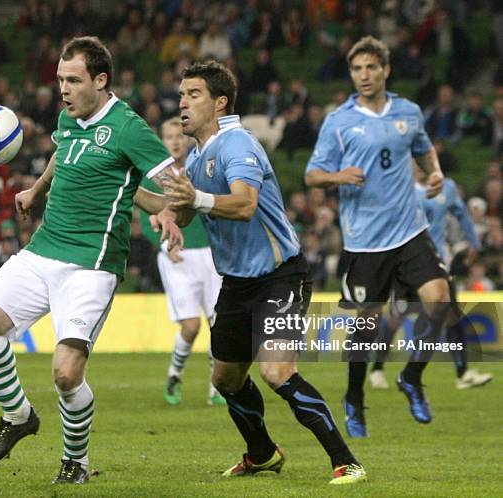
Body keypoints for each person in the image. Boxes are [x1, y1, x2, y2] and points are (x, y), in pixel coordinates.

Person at [0, 36, 182, 485]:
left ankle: (75, 463)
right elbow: (63, 156)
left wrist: (171, 213)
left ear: (100, 81)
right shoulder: (68, 117)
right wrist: (36, 189)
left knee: (66, 374)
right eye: (60, 79)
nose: (63, 88)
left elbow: (175, 183)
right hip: (43, 249)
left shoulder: (129, 128)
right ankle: (18, 415)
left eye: (73, 80)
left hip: (92, 264)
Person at [161, 61, 366, 485]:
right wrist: (170, 211)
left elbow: (244, 204)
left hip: (280, 276)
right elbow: (188, 212)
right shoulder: (198, 155)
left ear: (220, 103)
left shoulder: (237, 144)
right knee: (226, 378)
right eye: (181, 94)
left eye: (193, 94)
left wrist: (194, 199)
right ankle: (262, 455)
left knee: (276, 371)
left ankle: (347, 461)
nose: (183, 102)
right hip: (236, 282)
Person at [305, 36, 451, 438]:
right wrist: (337, 176)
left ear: (385, 69)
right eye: (357, 69)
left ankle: (412, 377)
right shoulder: (339, 121)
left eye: (371, 67)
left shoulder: (409, 112)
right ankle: (353, 397)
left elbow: (423, 151)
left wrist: (434, 173)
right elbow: (312, 174)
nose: (364, 76)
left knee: (440, 301)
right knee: (365, 329)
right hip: (365, 242)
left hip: (410, 231)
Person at [369, 166, 493, 390]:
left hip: (438, 265)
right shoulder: (400, 187)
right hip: (408, 264)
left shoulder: (448, 187)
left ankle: (463, 373)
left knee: (453, 317)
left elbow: (462, 214)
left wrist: (474, 243)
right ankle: (377, 369)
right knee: (397, 317)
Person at [139, 117, 224, 406]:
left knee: (219, 323)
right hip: (178, 256)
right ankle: (175, 373)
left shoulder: (200, 168)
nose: (175, 141)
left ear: (186, 139)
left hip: (210, 255)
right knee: (191, 326)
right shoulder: (153, 176)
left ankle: (217, 386)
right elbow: (143, 215)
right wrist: (165, 244)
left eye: (179, 135)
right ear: (162, 140)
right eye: (169, 136)